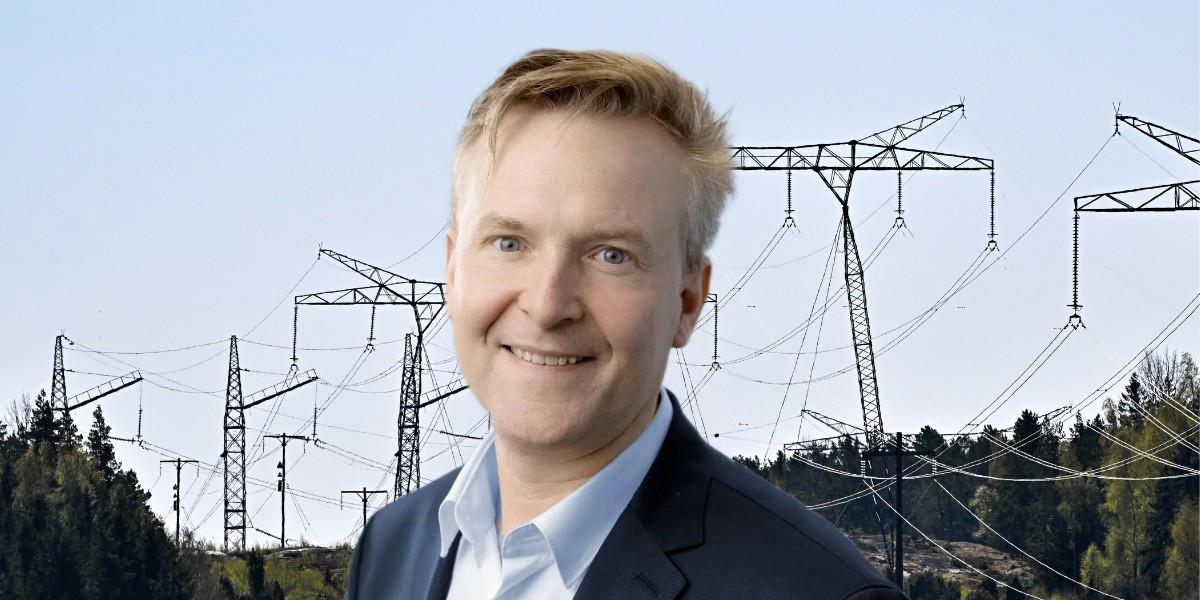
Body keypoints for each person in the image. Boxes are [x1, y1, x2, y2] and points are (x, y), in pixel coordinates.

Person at [344, 48, 906, 600]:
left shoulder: (819, 591)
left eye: (611, 255)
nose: (547, 304)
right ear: (452, 269)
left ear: (687, 301)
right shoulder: (391, 547)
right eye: (509, 243)